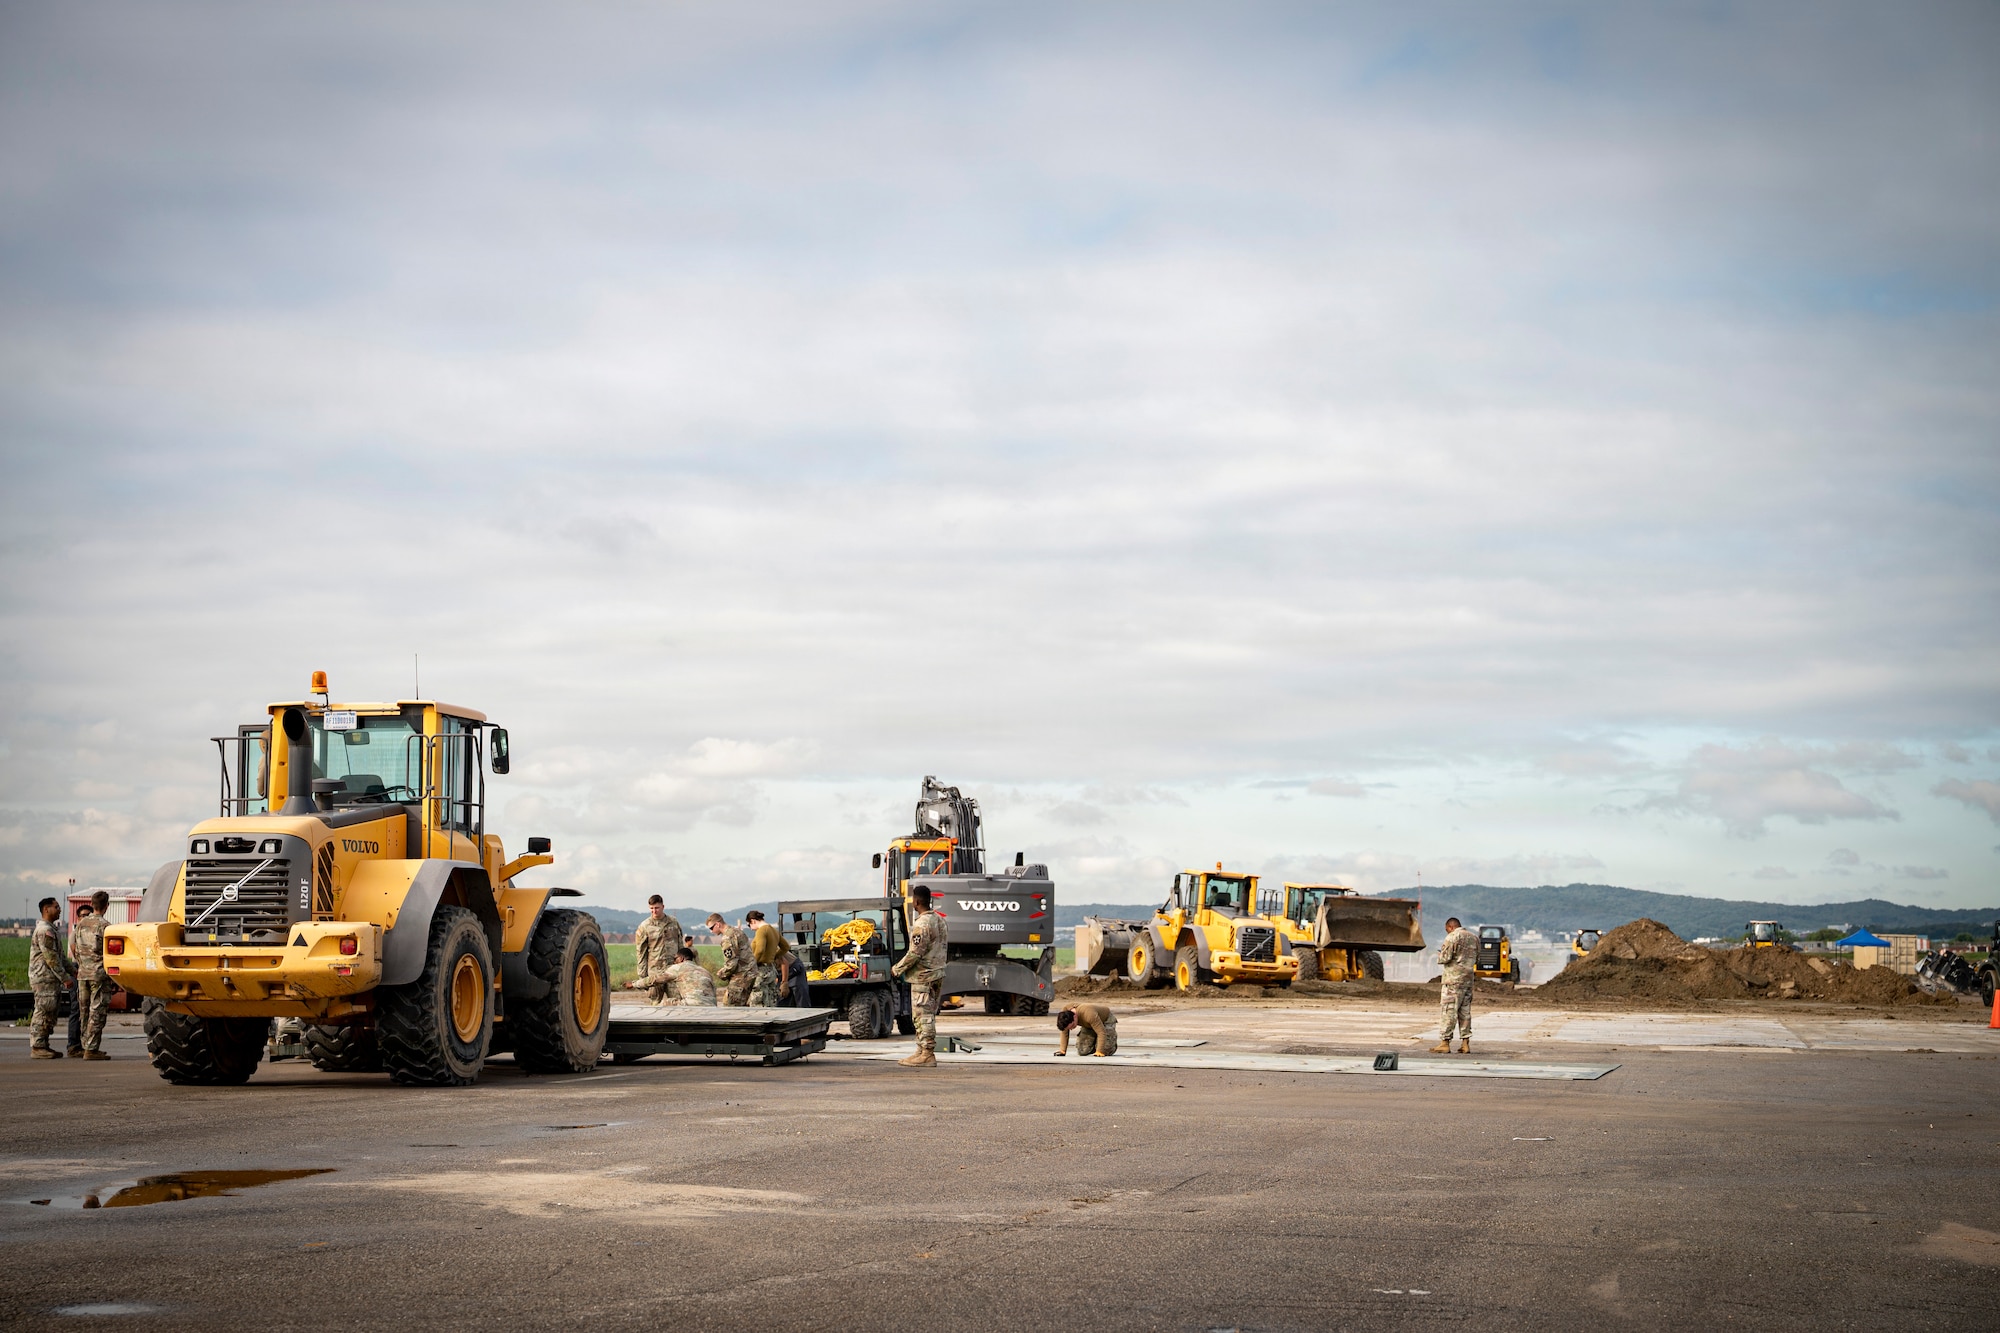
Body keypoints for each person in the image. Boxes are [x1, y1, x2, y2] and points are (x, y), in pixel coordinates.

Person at [890, 886, 948, 1067]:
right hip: (937, 973)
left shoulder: (922, 924)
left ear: (916, 901)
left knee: (922, 1015)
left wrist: (897, 969)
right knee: (926, 1014)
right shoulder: (940, 920)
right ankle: (921, 1050)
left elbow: (915, 953)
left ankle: (927, 1054)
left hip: (923, 976)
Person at [28, 897, 75, 1059]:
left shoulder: (51, 929)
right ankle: (38, 1046)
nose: (60, 910)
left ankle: (44, 1044)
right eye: (56, 907)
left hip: (50, 978)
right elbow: (51, 958)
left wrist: (73, 971)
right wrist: (65, 978)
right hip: (43, 978)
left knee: (50, 1012)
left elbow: (60, 957)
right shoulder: (44, 931)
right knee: (43, 1010)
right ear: (46, 909)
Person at [70, 892, 112, 1060]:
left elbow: (75, 949)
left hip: (82, 973)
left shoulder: (80, 925)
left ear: (92, 904)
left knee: (84, 1011)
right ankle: (91, 1049)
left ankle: (85, 1044)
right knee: (97, 1011)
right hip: (98, 974)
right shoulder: (105, 926)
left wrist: (82, 964)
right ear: (106, 906)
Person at [1432, 916, 1478, 1054]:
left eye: (1447, 930)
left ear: (1451, 927)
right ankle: (1465, 1043)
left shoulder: (1452, 937)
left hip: (1452, 981)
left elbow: (1444, 958)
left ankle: (1445, 1043)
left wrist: (1439, 955)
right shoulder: (1474, 938)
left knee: (1449, 1011)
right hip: (1468, 981)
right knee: (1465, 1012)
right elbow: (1477, 959)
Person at [631, 895, 684, 1004]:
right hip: (655, 971)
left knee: (677, 1002)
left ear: (663, 907)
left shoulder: (673, 922)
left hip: (672, 969)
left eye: (657, 908)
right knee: (655, 1003)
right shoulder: (645, 926)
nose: (654, 911)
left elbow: (680, 945)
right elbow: (641, 952)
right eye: (651, 908)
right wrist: (642, 974)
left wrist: (682, 966)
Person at [709, 913, 754, 1006]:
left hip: (740, 977)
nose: (711, 931)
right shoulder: (738, 931)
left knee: (730, 1007)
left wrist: (722, 974)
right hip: (751, 973)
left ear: (717, 924)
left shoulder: (727, 938)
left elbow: (731, 963)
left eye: (711, 928)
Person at [747, 910, 788, 1007]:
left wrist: (753, 964)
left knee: (757, 1001)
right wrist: (773, 956)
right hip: (771, 970)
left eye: (749, 925)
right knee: (770, 1000)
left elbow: (760, 949)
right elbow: (786, 947)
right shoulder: (773, 930)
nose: (751, 928)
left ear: (753, 921)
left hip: (761, 970)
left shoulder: (761, 930)